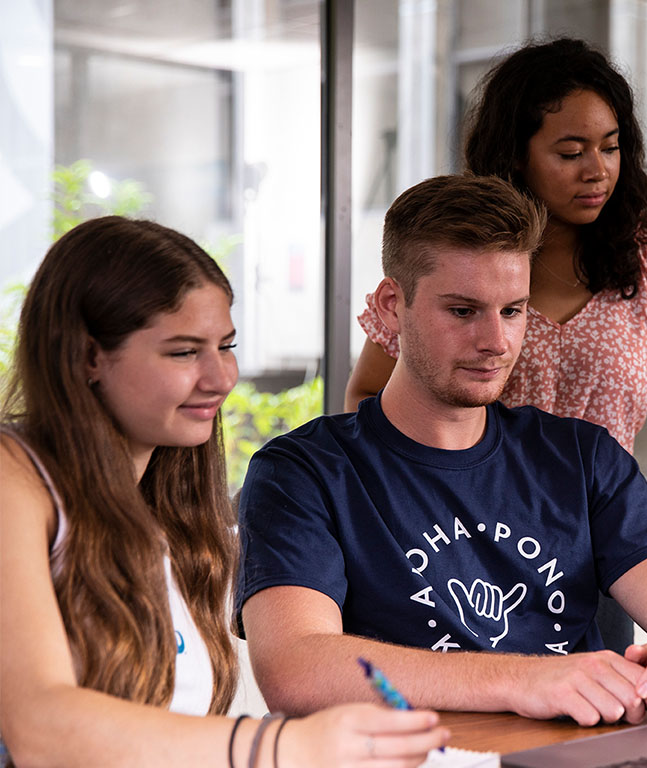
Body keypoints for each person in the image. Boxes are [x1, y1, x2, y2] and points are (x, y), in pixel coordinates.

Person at [236, 174, 647, 729]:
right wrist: (528, 679)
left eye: (513, 311)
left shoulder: (584, 457)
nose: (496, 341)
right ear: (393, 306)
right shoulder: (302, 473)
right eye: (464, 311)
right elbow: (295, 669)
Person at [0, 216, 447, 767]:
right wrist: (282, 746)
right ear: (89, 357)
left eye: (226, 346)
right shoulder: (12, 476)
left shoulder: (165, 505)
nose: (221, 378)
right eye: (184, 352)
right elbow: (40, 728)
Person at [345, 37, 647, 451]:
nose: (597, 171)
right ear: (516, 155)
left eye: (610, 147)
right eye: (570, 153)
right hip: (475, 532)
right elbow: (368, 390)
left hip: (603, 533)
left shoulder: (646, 248)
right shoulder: (465, 247)